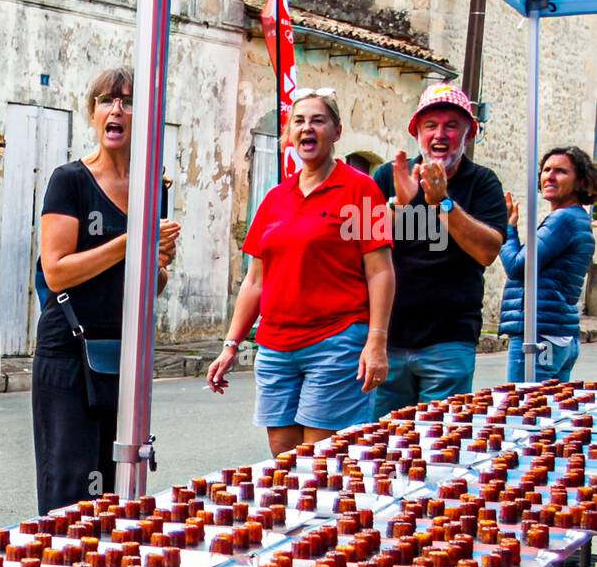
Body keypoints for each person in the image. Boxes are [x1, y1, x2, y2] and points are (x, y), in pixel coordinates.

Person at [207, 89, 394, 455]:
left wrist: (377, 340)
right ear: (289, 135)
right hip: (276, 346)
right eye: (299, 121)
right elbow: (255, 280)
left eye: (318, 120)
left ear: (337, 132)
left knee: (320, 462)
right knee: (284, 463)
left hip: (336, 340)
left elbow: (380, 270)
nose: (307, 128)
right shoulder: (276, 198)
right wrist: (231, 345)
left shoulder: (360, 189)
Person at [32, 66, 179, 514]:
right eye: (106, 100)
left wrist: (158, 264)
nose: (116, 109)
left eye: (128, 101)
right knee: (71, 489)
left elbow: (149, 285)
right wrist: (130, 243)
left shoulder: (153, 187)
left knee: (119, 484)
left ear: (146, 117)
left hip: (124, 353)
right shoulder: (69, 180)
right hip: (69, 352)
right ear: (92, 114)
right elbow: (56, 272)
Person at [371, 84, 509, 413]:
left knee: (441, 445)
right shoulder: (388, 177)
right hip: (387, 338)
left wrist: (442, 203)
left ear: (469, 134)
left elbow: (487, 252)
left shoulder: (483, 183)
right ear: (416, 132)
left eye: (451, 126)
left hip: (450, 339)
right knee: (380, 446)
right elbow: (363, 247)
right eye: (431, 125)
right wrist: (399, 206)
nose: (440, 134)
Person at [498, 146, 597, 382]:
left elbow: (517, 266)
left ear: (580, 182)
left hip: (539, 335)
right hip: (559, 336)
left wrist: (506, 229)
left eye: (561, 171)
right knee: (548, 414)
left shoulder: (563, 220)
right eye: (546, 170)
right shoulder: (578, 219)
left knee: (522, 411)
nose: (549, 176)